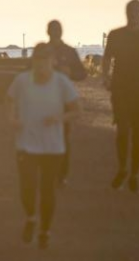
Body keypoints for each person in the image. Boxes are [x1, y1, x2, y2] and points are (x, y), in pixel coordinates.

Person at [7, 43, 81, 249]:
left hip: (52, 146)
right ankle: (31, 217)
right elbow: (10, 100)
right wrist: (12, 118)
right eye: (37, 61)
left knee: (47, 190)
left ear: (52, 62)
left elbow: (76, 110)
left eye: (45, 62)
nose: (41, 66)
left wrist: (59, 117)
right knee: (27, 187)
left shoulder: (61, 83)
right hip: (26, 143)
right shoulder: (22, 81)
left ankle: (44, 231)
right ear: (33, 61)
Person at [102, 0, 139, 193]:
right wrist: (105, 77)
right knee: (122, 130)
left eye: (137, 11)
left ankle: (134, 174)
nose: (134, 14)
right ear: (126, 13)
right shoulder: (116, 35)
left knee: (138, 135)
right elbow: (107, 57)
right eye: (131, 11)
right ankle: (122, 168)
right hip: (120, 89)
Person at [46, 20, 87, 185]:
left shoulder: (69, 52)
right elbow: (29, 70)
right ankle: (49, 172)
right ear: (48, 32)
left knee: (62, 136)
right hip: (43, 98)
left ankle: (61, 174)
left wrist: (69, 72)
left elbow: (82, 74)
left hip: (63, 99)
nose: (55, 33)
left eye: (57, 30)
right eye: (53, 30)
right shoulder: (43, 51)